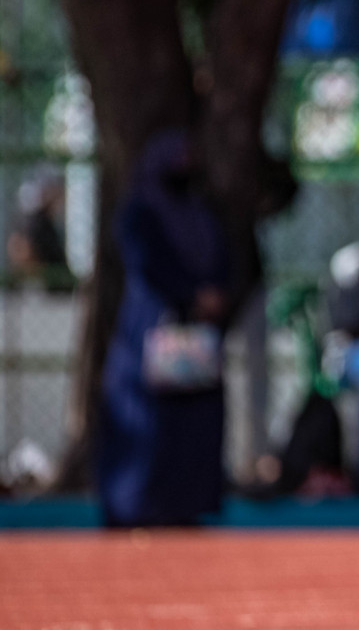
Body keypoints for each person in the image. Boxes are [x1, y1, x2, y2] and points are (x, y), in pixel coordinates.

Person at [98, 129, 232, 526]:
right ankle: (134, 507)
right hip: (149, 333)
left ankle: (185, 507)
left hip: (199, 337)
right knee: (144, 421)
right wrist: (190, 294)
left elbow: (224, 261)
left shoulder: (200, 214)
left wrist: (215, 295)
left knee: (195, 425)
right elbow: (147, 264)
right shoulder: (139, 213)